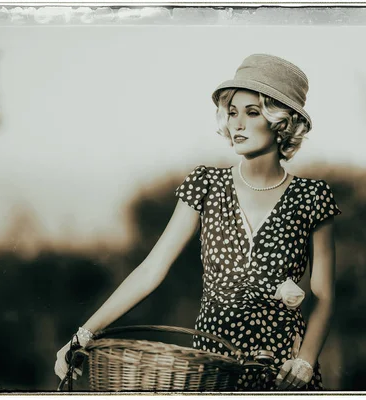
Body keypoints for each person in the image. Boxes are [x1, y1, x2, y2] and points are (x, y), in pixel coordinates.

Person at [54, 53, 341, 391]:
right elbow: (152, 269)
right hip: (211, 365)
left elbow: (323, 294)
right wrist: (83, 334)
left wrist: (305, 361)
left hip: (284, 369)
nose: (237, 124)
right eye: (233, 112)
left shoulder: (313, 196)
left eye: (252, 113)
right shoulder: (205, 184)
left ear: (280, 121)